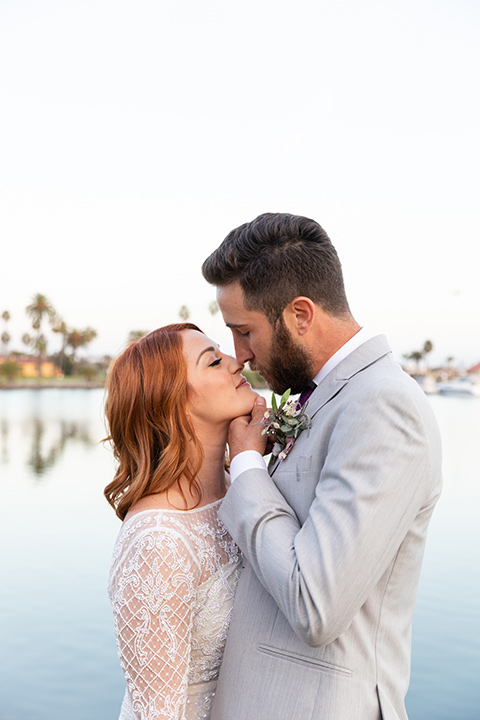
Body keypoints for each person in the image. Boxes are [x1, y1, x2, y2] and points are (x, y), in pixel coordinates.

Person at [201, 213, 442, 720]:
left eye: (245, 331)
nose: (239, 355)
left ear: (301, 315)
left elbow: (316, 604)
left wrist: (246, 467)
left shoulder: (381, 407)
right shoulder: (331, 398)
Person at [103, 323, 258, 720]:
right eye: (214, 361)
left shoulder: (241, 485)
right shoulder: (158, 541)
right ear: (173, 401)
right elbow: (157, 713)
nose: (238, 362)